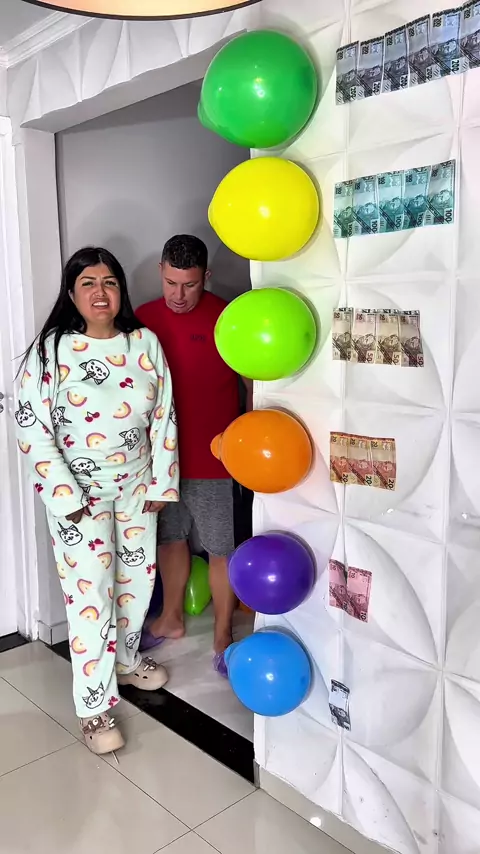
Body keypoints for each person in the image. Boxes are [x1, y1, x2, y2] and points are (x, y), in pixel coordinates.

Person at [16, 247, 179, 755]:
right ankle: (94, 706)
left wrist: (161, 483)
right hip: (79, 496)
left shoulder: (143, 342)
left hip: (136, 489)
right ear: (72, 294)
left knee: (136, 583)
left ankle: (126, 663)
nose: (100, 292)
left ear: (121, 290)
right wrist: (65, 497)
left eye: (109, 282)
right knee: (91, 598)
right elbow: (31, 428)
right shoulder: (51, 351)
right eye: (88, 283)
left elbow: (164, 415)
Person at [136, 235, 252, 674]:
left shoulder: (228, 317)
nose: (179, 295)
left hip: (215, 457)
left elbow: (252, 383)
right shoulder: (143, 319)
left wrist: (247, 437)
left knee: (222, 547)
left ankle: (223, 633)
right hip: (160, 459)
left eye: (189, 284)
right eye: (170, 283)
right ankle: (170, 618)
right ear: (160, 273)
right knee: (170, 538)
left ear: (206, 276)